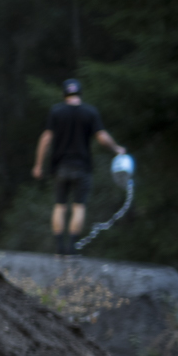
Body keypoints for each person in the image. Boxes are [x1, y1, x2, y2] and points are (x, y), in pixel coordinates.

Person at [32, 79, 126, 255]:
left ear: (64, 95)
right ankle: (72, 247)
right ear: (80, 94)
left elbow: (45, 139)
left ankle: (59, 247)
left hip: (60, 167)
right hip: (82, 166)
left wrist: (38, 165)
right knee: (79, 207)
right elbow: (102, 137)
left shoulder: (56, 112)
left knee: (60, 206)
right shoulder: (89, 112)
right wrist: (117, 149)